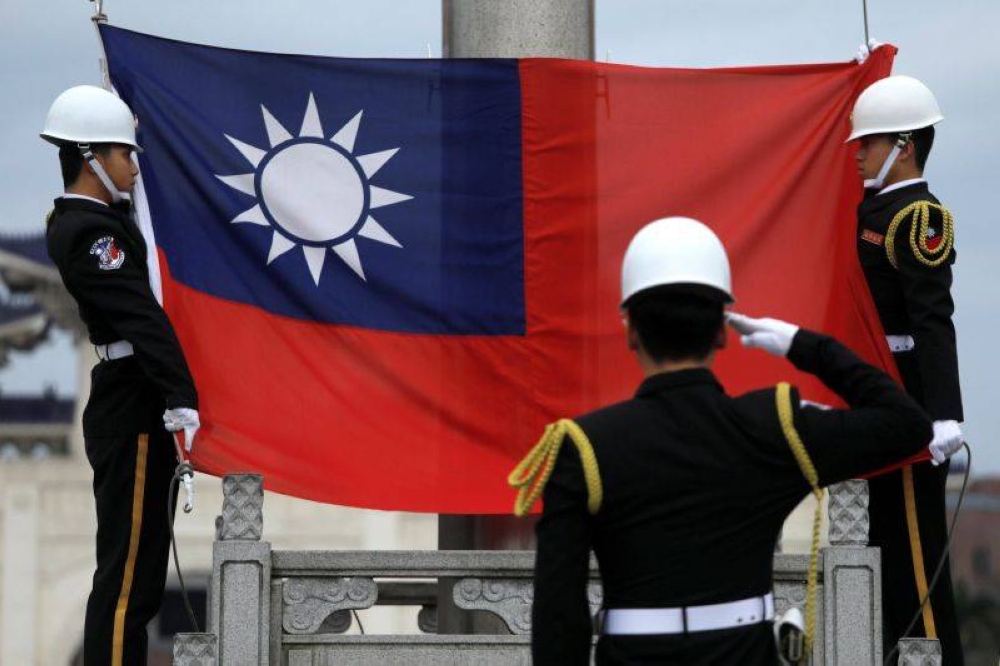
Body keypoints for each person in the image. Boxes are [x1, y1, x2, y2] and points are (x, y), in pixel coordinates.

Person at [510, 217, 933, 665]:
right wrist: (801, 344)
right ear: (720, 331)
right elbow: (906, 424)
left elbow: (559, 616)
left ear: (631, 329)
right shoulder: (775, 427)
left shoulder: (583, 447)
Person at [41, 85, 201, 666]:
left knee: (141, 579)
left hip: (134, 402)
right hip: (132, 407)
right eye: (124, 153)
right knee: (126, 580)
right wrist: (181, 394)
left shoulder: (105, 221)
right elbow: (142, 316)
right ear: (91, 159)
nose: (134, 166)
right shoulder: (89, 235)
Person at [849, 74, 965, 663]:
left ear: (904, 146)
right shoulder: (878, 206)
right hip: (879, 397)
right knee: (884, 541)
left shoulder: (920, 217)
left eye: (868, 142)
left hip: (913, 403)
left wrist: (944, 415)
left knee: (916, 546)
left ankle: (930, 655)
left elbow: (932, 320)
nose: (859, 153)